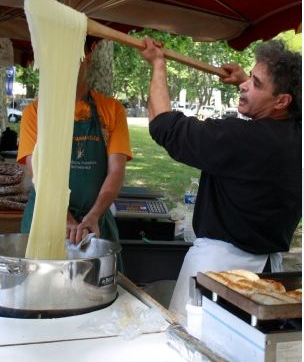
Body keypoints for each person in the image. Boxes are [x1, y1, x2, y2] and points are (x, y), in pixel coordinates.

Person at [140, 37, 301, 319]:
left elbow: (163, 126)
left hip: (218, 272)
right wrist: (245, 81)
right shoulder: (295, 134)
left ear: (282, 101)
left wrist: (158, 64)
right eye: (250, 77)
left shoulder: (243, 139)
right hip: (266, 272)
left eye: (257, 83)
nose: (246, 85)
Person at [17, 37, 132, 247]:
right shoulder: (35, 113)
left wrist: (94, 215)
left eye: (72, 59)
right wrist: (65, 218)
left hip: (95, 225)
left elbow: (116, 171)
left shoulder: (113, 110)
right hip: (46, 221)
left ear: (89, 57)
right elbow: (38, 173)